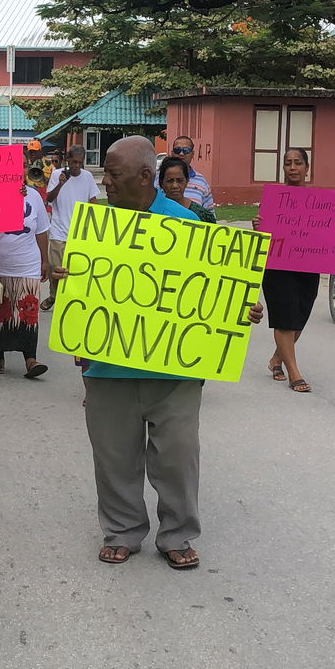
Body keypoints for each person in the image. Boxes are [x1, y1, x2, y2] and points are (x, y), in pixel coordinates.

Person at [53, 135, 263, 570]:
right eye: (105, 172)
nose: (105, 181)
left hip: (174, 370)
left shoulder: (188, 225)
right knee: (113, 456)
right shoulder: (95, 226)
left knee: (178, 456)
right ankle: (122, 530)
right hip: (108, 368)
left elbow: (212, 290)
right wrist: (67, 281)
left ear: (145, 177)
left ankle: (177, 533)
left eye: (113, 173)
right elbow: (81, 290)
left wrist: (240, 306)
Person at [252, 148, 321, 394]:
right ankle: (295, 373)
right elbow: (264, 232)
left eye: (298, 163)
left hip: (308, 265)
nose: (292, 167)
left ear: (306, 167)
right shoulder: (275, 197)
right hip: (277, 265)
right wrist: (258, 225)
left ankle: (276, 360)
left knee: (300, 316)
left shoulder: (319, 201)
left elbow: (328, 229)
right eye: (288, 163)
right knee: (285, 317)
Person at [0, 183, 51, 379]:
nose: (19, 170)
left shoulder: (34, 195)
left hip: (27, 264)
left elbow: (41, 230)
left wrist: (45, 260)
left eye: (23, 165)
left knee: (28, 313)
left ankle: (30, 359)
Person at [41, 146, 100, 311]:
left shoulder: (87, 177)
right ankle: (54, 295)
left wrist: (94, 223)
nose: (76, 166)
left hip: (79, 232)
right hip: (59, 230)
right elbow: (49, 199)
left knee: (75, 270)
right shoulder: (56, 174)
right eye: (74, 162)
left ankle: (71, 300)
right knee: (55, 268)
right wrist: (60, 184)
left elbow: (93, 200)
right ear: (67, 160)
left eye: (80, 163)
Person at [163, 135, 215, 214]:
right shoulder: (159, 178)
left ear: (192, 154)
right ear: (172, 153)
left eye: (186, 150)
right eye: (177, 150)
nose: (181, 153)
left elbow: (209, 216)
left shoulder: (201, 182)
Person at [158, 156, 216, 223]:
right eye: (170, 181)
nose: (175, 185)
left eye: (180, 180)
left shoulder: (201, 215)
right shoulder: (154, 212)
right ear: (161, 183)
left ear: (187, 181)